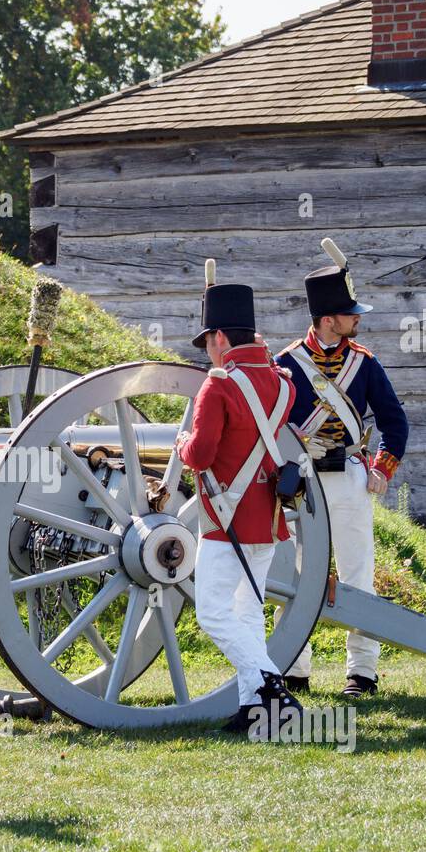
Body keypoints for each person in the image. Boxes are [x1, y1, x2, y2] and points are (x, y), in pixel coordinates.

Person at [275, 254, 408, 698]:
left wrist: (381, 468)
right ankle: (293, 667)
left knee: (358, 575)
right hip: (301, 482)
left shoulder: (364, 363)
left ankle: (362, 672)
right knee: (295, 577)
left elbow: (394, 422)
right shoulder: (285, 364)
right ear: (328, 320)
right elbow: (269, 424)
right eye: (350, 314)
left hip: (349, 475)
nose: (357, 319)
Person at [176, 276, 302, 732]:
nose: (208, 352)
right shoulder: (283, 385)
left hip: (225, 519)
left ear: (221, 338)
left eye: (208, 342)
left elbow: (201, 455)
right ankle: (257, 708)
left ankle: (270, 684)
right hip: (266, 518)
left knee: (212, 614)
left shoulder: (218, 386)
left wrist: (181, 444)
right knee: (248, 612)